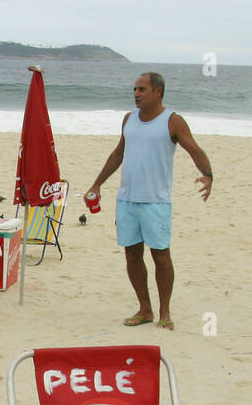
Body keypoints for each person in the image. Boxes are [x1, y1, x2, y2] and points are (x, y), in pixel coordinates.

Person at [85, 71, 213, 330]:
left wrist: (208, 175)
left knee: (161, 256)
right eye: (134, 89)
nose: (136, 94)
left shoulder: (172, 121)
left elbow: (194, 149)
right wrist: (97, 183)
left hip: (156, 201)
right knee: (132, 255)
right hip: (127, 200)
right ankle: (145, 308)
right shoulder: (128, 119)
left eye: (142, 89)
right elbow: (119, 153)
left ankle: (165, 311)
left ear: (158, 92)